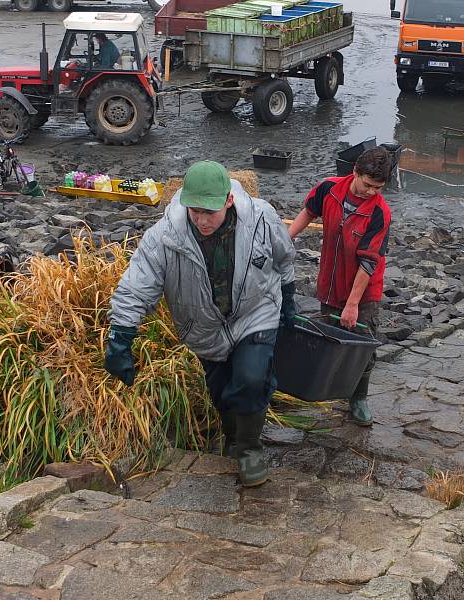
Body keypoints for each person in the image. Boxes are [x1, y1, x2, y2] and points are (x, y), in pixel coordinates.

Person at [105, 160, 296, 487]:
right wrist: (120, 338)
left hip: (256, 312)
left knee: (251, 377)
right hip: (205, 325)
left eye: (210, 212)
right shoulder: (165, 237)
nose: (203, 221)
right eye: (195, 212)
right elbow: (136, 286)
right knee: (221, 391)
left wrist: (288, 300)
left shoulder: (262, 217)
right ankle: (233, 436)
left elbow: (284, 257)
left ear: (229, 201)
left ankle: (250, 449)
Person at [287, 148, 392, 426]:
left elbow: (369, 263)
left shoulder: (380, 212)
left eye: (378, 188)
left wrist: (353, 304)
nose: (371, 192)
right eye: (368, 185)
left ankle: (359, 399)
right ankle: (328, 388)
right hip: (331, 283)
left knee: (363, 346)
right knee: (330, 339)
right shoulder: (329, 189)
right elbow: (308, 212)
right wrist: (285, 240)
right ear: (355, 172)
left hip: (364, 290)